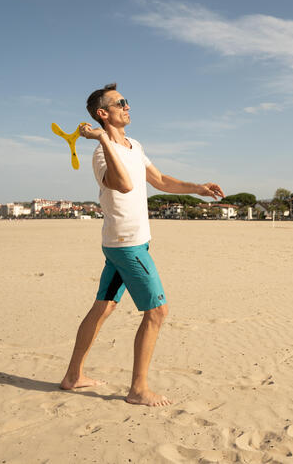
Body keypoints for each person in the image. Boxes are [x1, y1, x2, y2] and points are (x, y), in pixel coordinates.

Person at [60, 83, 224, 406]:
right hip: (126, 245)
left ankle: (73, 376)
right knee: (158, 311)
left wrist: (198, 188)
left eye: (127, 101)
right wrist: (103, 139)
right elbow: (123, 184)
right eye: (120, 103)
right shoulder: (99, 154)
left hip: (132, 243)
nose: (127, 106)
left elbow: (160, 180)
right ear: (103, 113)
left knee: (103, 307)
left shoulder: (135, 145)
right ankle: (138, 389)